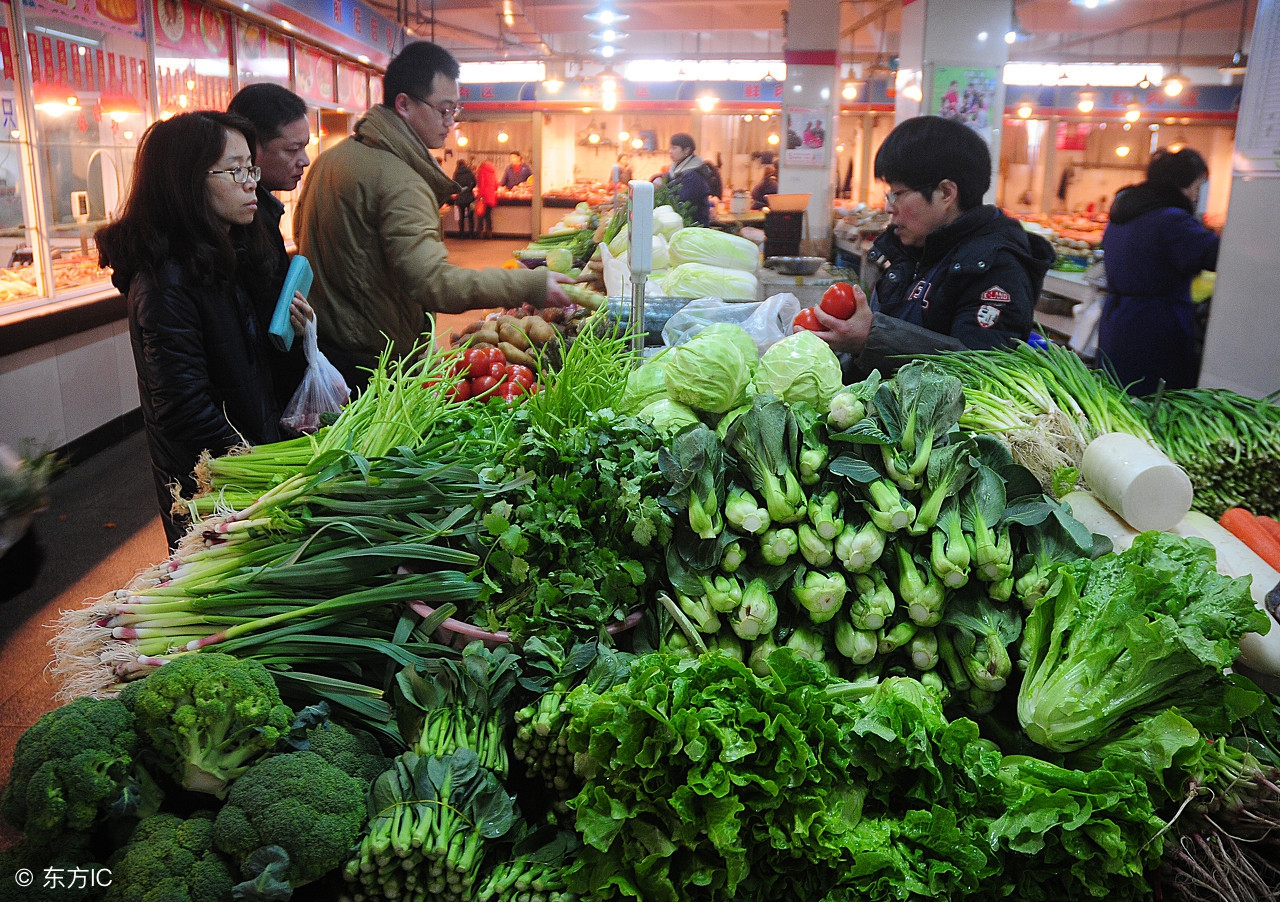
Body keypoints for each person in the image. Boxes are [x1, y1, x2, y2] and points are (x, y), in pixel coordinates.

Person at [293, 41, 568, 389]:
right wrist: (530, 284)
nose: (450, 122)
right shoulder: (400, 179)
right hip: (371, 364)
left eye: (455, 110)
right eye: (443, 110)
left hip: (327, 348)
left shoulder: (330, 159)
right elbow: (433, 282)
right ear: (404, 104)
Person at [95, 112, 312, 547]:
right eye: (235, 170)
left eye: (250, 167)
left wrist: (288, 332)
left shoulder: (227, 253)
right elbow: (184, 408)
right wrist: (259, 468)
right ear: (186, 180)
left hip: (247, 468)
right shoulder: (166, 279)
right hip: (213, 486)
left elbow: (246, 370)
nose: (251, 182)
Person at [808, 115, 1054, 380]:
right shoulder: (913, 250)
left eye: (897, 193)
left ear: (946, 193)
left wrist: (871, 338)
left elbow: (980, 370)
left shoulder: (997, 267)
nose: (889, 207)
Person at [1098, 147, 1219, 395]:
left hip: (1118, 320)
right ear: (1181, 185)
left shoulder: (1126, 212)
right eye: (1196, 187)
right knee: (1154, 404)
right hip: (1155, 328)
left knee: (1117, 396)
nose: (1196, 197)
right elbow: (1216, 255)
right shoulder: (1171, 221)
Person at [227, 83, 313, 406]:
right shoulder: (244, 226)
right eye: (292, 150)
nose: (304, 160)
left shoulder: (263, 215)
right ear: (251, 150)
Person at [653, 132, 712, 225]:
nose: (670, 151)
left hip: (694, 226)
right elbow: (666, 178)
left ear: (687, 150)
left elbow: (681, 202)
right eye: (670, 148)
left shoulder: (693, 175)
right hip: (681, 223)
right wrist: (658, 178)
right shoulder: (676, 169)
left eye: (674, 148)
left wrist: (661, 188)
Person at [451, 158, 477, 238]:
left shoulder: (456, 174)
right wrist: (469, 189)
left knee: (461, 216)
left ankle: (461, 233)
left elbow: (454, 185)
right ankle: (471, 233)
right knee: (470, 216)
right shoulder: (470, 172)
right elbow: (474, 183)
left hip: (460, 197)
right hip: (469, 197)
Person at [474, 158, 498, 238]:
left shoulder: (481, 171)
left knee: (481, 215)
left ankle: (480, 232)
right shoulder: (493, 171)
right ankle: (489, 232)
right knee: (488, 215)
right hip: (491, 196)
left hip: (484, 196)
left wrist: (480, 196)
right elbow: (496, 185)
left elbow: (481, 184)